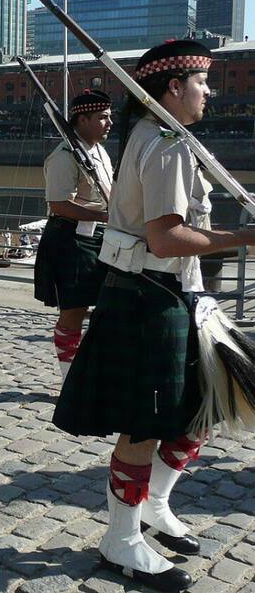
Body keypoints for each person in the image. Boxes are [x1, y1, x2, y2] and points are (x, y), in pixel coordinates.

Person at [53, 40, 255, 591]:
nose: (211, 92)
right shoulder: (163, 143)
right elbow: (166, 239)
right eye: (202, 82)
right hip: (150, 295)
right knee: (145, 428)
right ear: (173, 87)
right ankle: (120, 539)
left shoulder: (167, 139)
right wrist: (244, 238)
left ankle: (155, 505)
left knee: (204, 410)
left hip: (174, 295)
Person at [33, 90, 114, 381]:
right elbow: (59, 205)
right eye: (103, 117)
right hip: (72, 241)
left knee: (109, 305)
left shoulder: (99, 152)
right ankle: (70, 378)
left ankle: (89, 367)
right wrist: (104, 216)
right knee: (73, 312)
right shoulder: (64, 156)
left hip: (99, 239)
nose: (109, 123)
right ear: (83, 119)